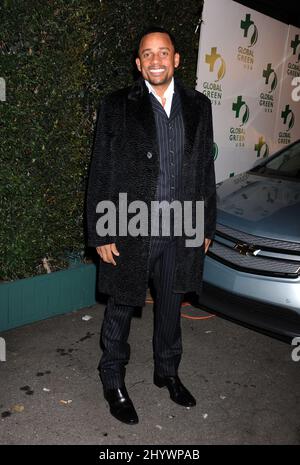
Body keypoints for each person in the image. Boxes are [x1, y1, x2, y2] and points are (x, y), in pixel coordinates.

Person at [86, 26, 216, 425]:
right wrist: (101, 230)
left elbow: (204, 170)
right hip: (129, 224)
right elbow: (101, 169)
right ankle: (113, 379)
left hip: (181, 225)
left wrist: (205, 224)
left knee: (172, 305)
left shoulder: (199, 105)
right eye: (147, 53)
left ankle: (167, 372)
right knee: (122, 306)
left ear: (176, 59)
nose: (156, 59)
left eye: (163, 52)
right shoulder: (117, 105)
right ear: (138, 62)